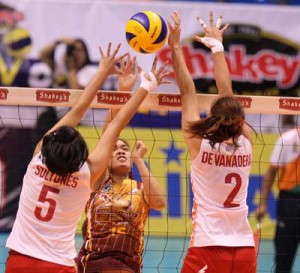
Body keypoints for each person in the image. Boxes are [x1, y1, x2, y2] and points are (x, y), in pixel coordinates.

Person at [5, 43, 169, 273]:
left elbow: (78, 110)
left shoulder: (37, 160)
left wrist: (103, 71)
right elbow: (116, 125)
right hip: (59, 265)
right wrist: (146, 85)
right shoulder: (86, 174)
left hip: (20, 260)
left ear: (49, 145)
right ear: (80, 154)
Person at [168, 11, 256, 273]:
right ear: (239, 121)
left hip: (208, 246)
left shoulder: (199, 143)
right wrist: (217, 47)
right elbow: (227, 96)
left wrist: (174, 46)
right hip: (245, 248)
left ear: (215, 119)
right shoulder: (246, 142)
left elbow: (187, 91)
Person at [76, 54, 167, 273]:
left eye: (125, 149)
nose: (120, 151)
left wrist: (140, 161)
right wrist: (122, 91)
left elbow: (160, 203)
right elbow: (111, 130)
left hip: (127, 267)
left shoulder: (139, 189)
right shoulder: (97, 183)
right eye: (115, 149)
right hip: (92, 264)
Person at [257, 125, 300, 273]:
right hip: (290, 203)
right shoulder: (287, 139)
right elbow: (270, 173)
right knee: (284, 256)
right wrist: (262, 204)